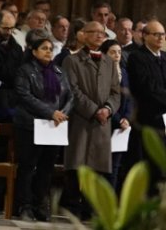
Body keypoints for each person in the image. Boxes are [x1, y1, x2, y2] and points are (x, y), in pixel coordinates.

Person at [61, 21, 121, 215]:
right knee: (76, 163)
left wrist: (108, 109)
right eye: (93, 32)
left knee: (98, 166)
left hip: (103, 121)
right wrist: (94, 110)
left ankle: (91, 207)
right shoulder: (72, 60)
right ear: (83, 35)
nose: (98, 35)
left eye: (101, 33)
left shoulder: (109, 61)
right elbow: (73, 90)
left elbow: (115, 92)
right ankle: (71, 205)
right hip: (82, 118)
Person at [11, 34, 74, 221]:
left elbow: (70, 95)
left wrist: (62, 112)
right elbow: (24, 95)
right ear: (34, 51)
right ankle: (24, 205)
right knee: (28, 166)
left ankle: (41, 204)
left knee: (47, 168)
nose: (48, 52)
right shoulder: (25, 70)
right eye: (44, 48)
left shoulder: (59, 71)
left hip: (54, 126)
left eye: (50, 49)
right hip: (30, 124)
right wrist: (50, 113)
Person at [102, 39, 133, 188]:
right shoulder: (100, 73)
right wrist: (118, 119)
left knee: (115, 167)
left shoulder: (124, 72)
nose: (117, 55)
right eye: (113, 52)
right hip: (105, 123)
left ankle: (111, 205)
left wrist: (127, 118)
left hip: (122, 127)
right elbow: (103, 99)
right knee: (102, 167)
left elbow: (129, 98)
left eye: (119, 52)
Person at [127, 18, 166, 140]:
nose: (160, 38)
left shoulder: (165, 56)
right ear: (145, 36)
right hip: (148, 117)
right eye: (156, 34)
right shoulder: (137, 57)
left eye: (163, 34)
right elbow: (147, 86)